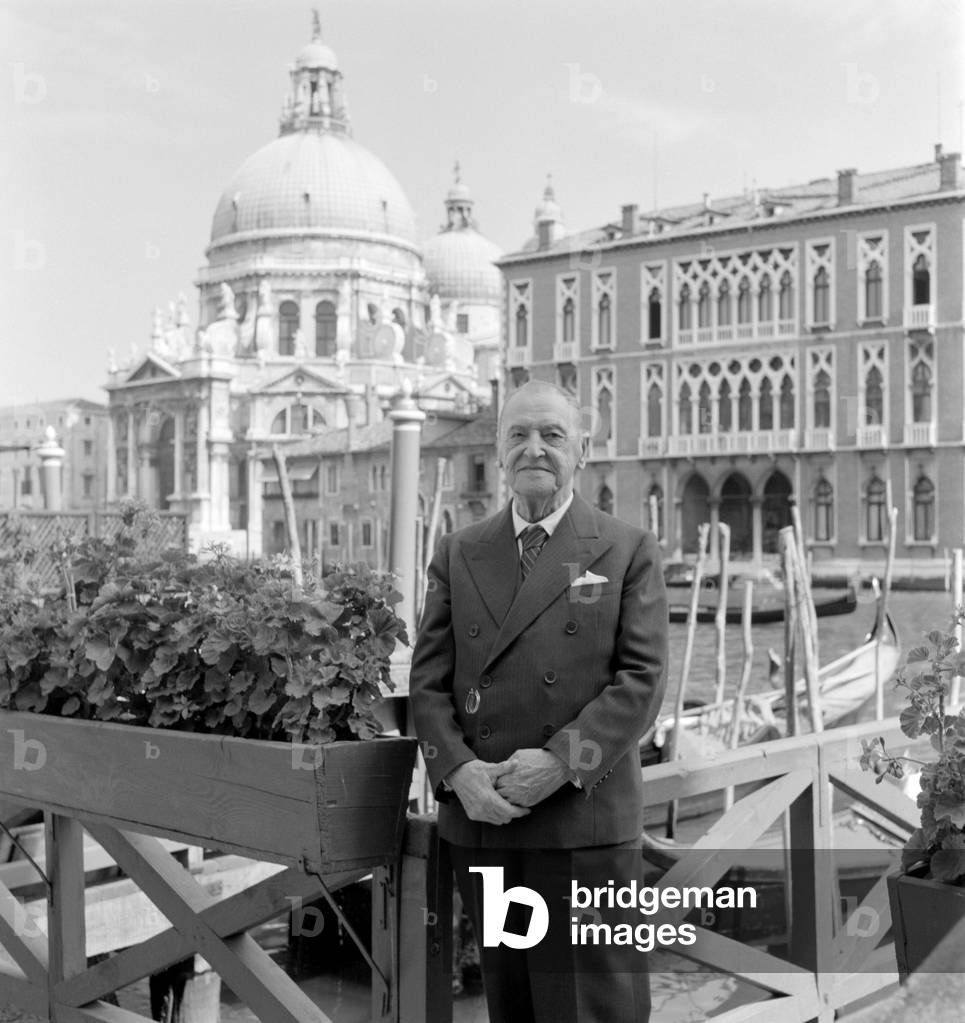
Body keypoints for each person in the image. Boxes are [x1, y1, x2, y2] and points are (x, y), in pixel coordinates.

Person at [409, 380, 668, 1023]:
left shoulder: (627, 548)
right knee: (514, 1007)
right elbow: (428, 682)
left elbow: (641, 682)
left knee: (593, 1012)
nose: (535, 449)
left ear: (581, 450)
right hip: (488, 822)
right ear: (498, 452)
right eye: (518, 435)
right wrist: (458, 772)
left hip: (583, 822)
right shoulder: (459, 551)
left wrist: (557, 763)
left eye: (552, 435)